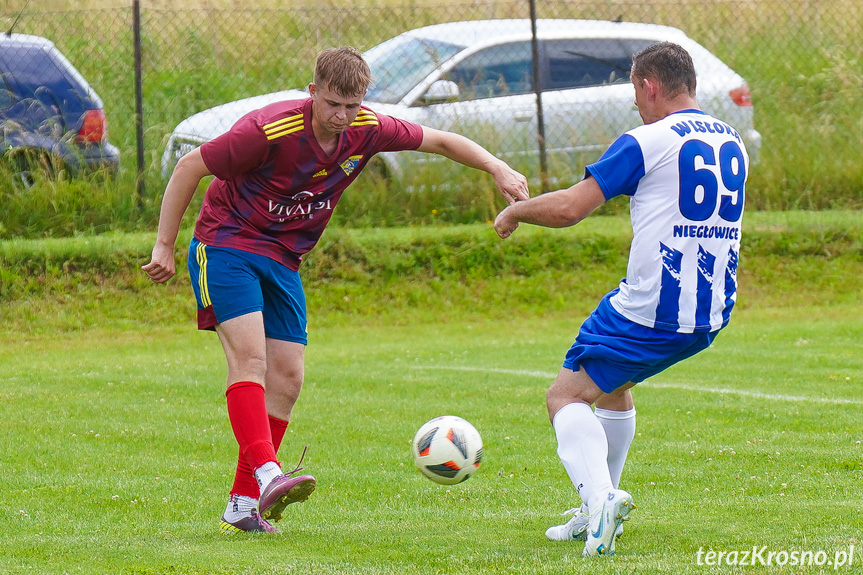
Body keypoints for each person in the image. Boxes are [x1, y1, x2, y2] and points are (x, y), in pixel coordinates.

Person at [142, 47, 529, 534]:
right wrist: (164, 245)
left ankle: (241, 508)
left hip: (283, 259)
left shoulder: (367, 128)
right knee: (251, 361)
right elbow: (188, 167)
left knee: (288, 378)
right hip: (225, 244)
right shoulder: (268, 130)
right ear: (313, 93)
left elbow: (441, 141)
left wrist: (497, 167)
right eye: (333, 104)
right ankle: (267, 475)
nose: (343, 116)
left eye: (352, 105)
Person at [493, 41, 748, 557]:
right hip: (710, 308)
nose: (635, 102)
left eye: (635, 89)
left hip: (652, 307)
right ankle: (595, 510)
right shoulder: (732, 137)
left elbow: (569, 208)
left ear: (650, 85)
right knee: (612, 389)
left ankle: (602, 499)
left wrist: (516, 213)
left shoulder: (647, 139)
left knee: (564, 397)